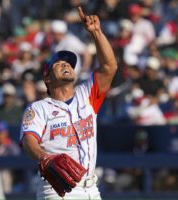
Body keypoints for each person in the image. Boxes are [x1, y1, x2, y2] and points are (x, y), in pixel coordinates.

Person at [19, 7, 117, 200]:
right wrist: (44, 157)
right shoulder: (39, 108)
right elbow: (29, 141)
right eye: (59, 63)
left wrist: (96, 32)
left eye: (69, 64)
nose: (66, 65)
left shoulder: (87, 95)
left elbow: (109, 66)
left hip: (91, 188)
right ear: (47, 78)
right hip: (58, 189)